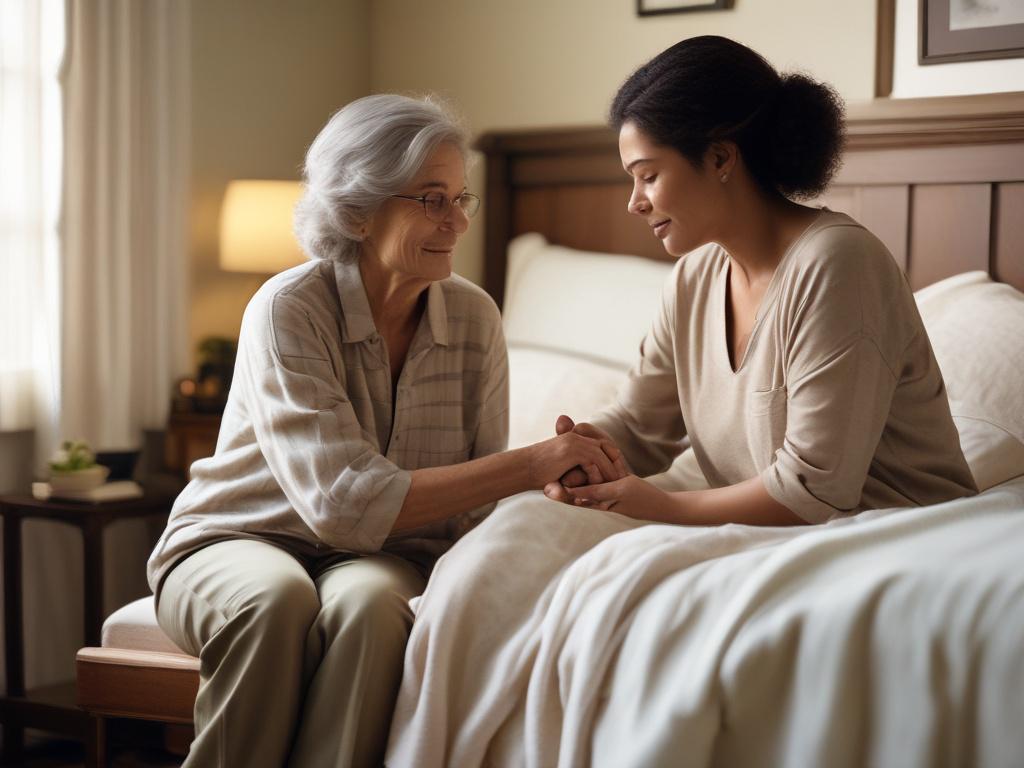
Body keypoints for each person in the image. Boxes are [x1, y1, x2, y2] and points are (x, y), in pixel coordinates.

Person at [146, 94, 623, 768]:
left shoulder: (475, 318)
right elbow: (341, 505)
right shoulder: (289, 309)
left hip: (384, 557)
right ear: (356, 210)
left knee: (372, 611)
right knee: (274, 601)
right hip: (237, 537)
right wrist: (532, 462)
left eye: (462, 198)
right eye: (432, 199)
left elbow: (476, 512)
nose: (457, 221)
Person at [545, 35, 977, 523]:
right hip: (775, 538)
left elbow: (813, 490)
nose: (634, 202)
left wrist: (661, 507)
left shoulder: (839, 262)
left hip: (902, 533)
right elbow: (639, 426)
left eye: (647, 175)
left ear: (721, 158)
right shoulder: (691, 281)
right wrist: (578, 455)